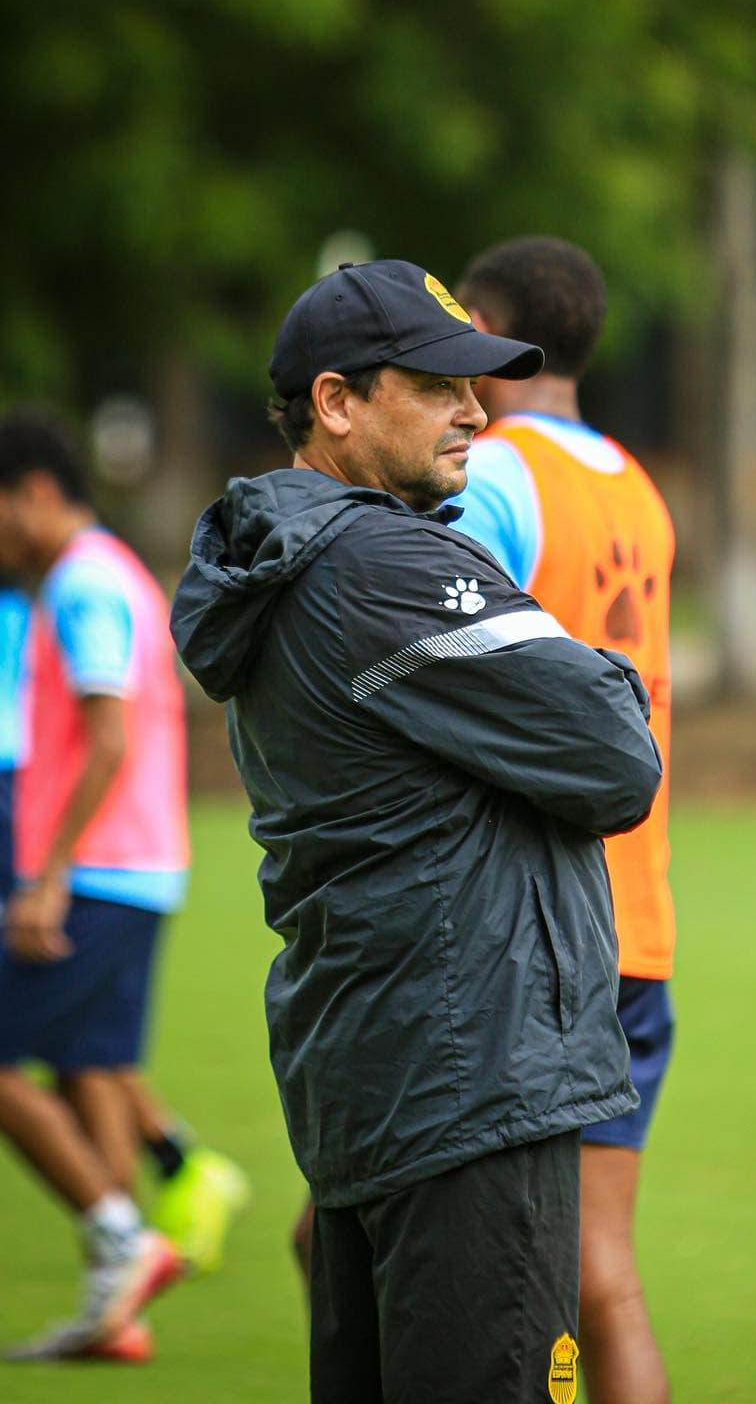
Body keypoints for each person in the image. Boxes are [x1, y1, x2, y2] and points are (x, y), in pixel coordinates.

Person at [170, 258, 663, 1404]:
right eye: (439, 385)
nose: (476, 414)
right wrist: (593, 671)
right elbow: (616, 755)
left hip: (374, 1071)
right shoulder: (386, 560)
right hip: (472, 1077)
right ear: (337, 403)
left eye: (478, 385)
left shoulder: (296, 560)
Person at [451, 236, 676, 1404]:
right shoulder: (633, 483)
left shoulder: (492, 480)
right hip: (639, 923)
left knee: (480, 1270)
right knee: (605, 1277)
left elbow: (437, 666)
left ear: (495, 336)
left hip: (536, 934)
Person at [0, 413, 189, 1361]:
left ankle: (122, 1238)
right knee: (90, 1062)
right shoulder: (102, 572)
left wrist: (48, 873)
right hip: (139, 868)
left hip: (104, 871)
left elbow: (107, 735)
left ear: (34, 492)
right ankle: (117, 1306)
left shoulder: (81, 584)